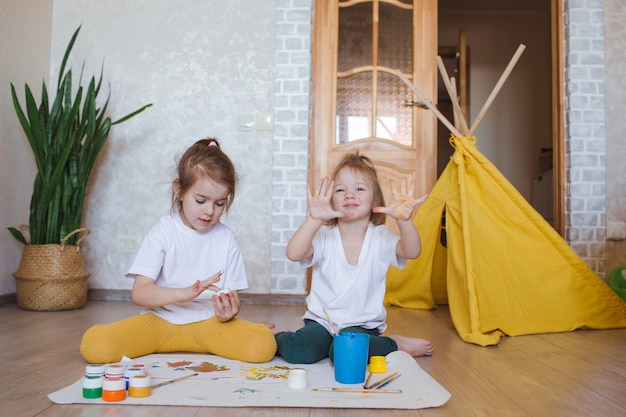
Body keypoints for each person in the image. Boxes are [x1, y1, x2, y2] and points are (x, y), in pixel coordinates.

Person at [80, 138, 277, 364]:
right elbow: (140, 294)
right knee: (95, 347)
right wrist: (185, 293)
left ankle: (234, 336)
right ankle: (109, 331)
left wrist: (229, 314)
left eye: (220, 203)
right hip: (160, 322)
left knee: (263, 347)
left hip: (208, 324)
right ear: (179, 191)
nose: (209, 211)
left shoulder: (227, 239)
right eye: (201, 200)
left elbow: (231, 300)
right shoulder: (162, 232)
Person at [275, 152, 434, 364]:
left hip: (363, 325)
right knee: (300, 350)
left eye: (359, 189)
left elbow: (412, 251)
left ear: (375, 200)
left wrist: (405, 222)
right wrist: (314, 219)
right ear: (331, 201)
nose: (349, 195)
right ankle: (284, 336)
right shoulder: (324, 236)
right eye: (341, 190)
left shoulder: (380, 237)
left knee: (345, 353)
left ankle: (395, 344)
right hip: (322, 322)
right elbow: (293, 254)